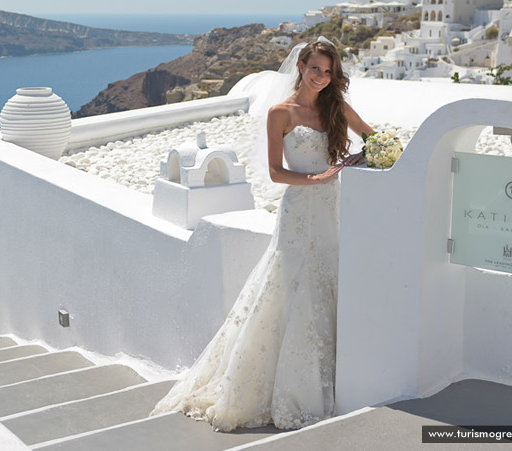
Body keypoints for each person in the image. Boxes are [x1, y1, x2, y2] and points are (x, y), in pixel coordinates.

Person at [150, 39, 373, 432]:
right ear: (301, 65)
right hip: (299, 209)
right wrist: (316, 177)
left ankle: (334, 378)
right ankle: (284, 386)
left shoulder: (335, 106)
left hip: (332, 207)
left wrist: (358, 160)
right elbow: (274, 172)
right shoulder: (279, 113)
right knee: (288, 287)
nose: (321, 77)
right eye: (315, 68)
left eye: (328, 72)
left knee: (329, 280)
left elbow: (374, 138)